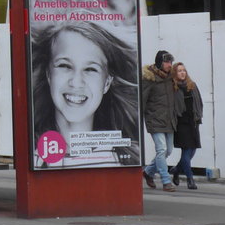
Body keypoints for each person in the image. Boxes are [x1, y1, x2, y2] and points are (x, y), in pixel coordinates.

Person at [31, 19, 139, 167]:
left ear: (107, 83)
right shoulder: (32, 156)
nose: (76, 82)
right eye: (64, 65)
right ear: (49, 74)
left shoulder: (128, 159)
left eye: (90, 69)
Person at [141, 49, 179, 192]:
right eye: (167, 62)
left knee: (168, 150)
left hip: (169, 120)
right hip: (155, 120)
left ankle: (148, 172)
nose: (169, 65)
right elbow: (142, 101)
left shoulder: (170, 78)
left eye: (170, 62)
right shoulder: (149, 79)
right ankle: (166, 181)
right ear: (159, 63)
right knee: (161, 149)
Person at [169, 61, 204, 189]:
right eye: (179, 71)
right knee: (186, 151)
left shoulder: (192, 85)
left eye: (184, 70)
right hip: (181, 123)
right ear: (175, 73)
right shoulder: (172, 87)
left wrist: (198, 117)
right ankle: (190, 179)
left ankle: (176, 170)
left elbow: (199, 102)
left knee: (192, 151)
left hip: (193, 122)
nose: (182, 73)